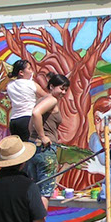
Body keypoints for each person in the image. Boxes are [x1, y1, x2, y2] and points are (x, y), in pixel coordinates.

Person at [28, 73, 70, 208]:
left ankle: (33, 220)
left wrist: (33, 137)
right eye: (61, 88)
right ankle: (41, 221)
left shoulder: (42, 99)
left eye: (66, 90)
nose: (63, 92)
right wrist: (42, 136)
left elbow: (31, 123)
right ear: (51, 86)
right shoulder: (52, 100)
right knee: (45, 192)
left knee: (34, 189)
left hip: (33, 148)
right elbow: (36, 113)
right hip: (45, 150)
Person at [6, 59, 45, 142]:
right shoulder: (31, 84)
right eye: (29, 69)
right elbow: (46, 97)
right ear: (21, 72)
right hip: (27, 118)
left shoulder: (10, 85)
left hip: (14, 120)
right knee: (31, 146)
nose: (31, 71)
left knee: (18, 147)